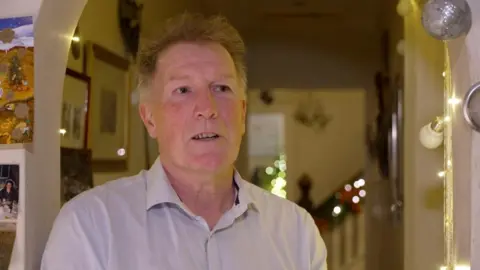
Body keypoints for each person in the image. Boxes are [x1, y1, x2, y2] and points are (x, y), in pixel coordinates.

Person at [41, 13, 327, 270]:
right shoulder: (89, 227)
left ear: (242, 112)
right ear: (149, 118)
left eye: (221, 87)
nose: (207, 107)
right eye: (183, 90)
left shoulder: (297, 232)